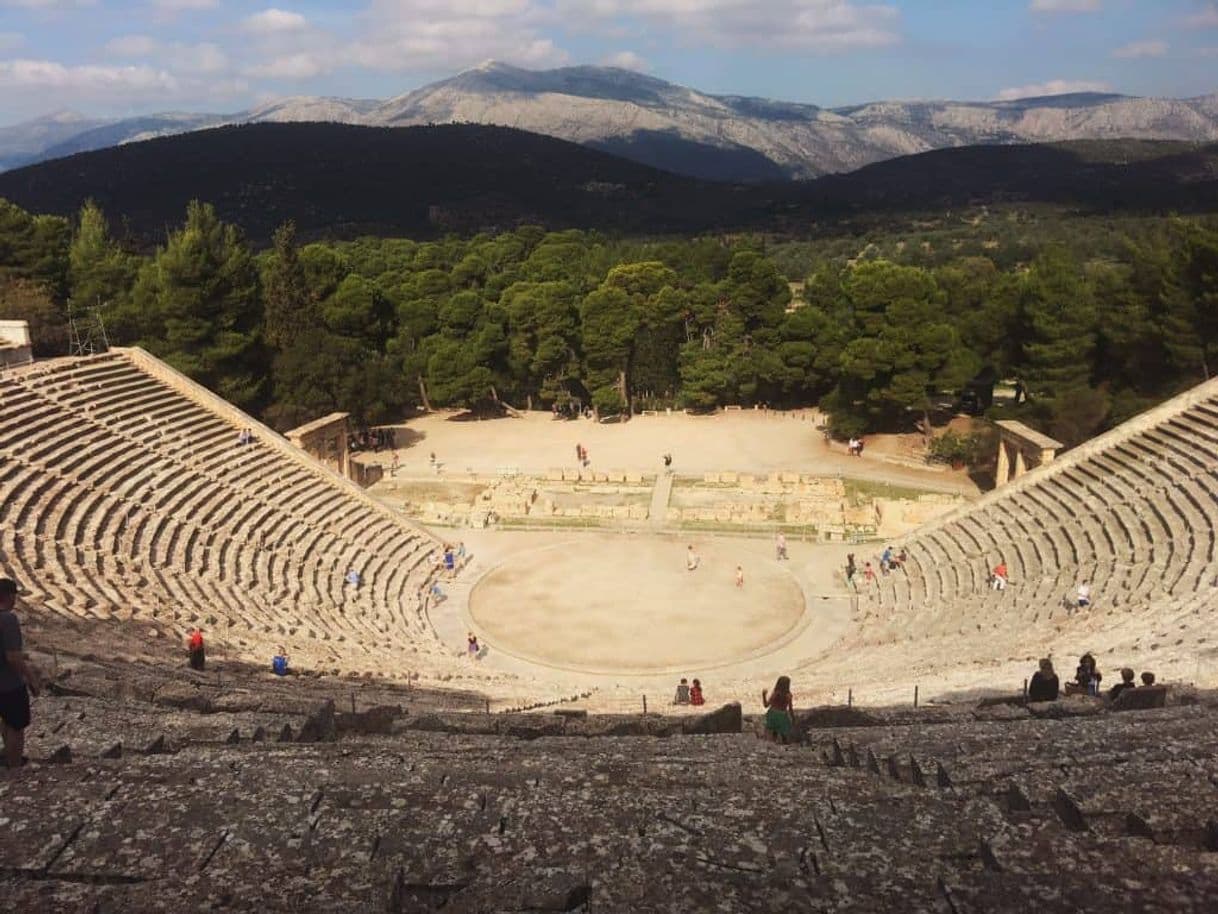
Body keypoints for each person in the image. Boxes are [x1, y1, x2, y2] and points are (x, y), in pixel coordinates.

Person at [0, 578, 40, 771]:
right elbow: (13, 657)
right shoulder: (8, 619)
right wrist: (31, 678)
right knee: (16, 725)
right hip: (8, 684)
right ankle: (14, 769)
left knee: (5, 721)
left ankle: (8, 759)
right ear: (9, 596)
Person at [761, 675, 795, 743]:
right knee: (784, 733)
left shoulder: (775, 694)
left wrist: (764, 695)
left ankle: (773, 743)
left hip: (772, 715)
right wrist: (793, 718)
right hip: (782, 716)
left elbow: (766, 705)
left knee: (774, 732)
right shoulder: (789, 696)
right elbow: (790, 709)